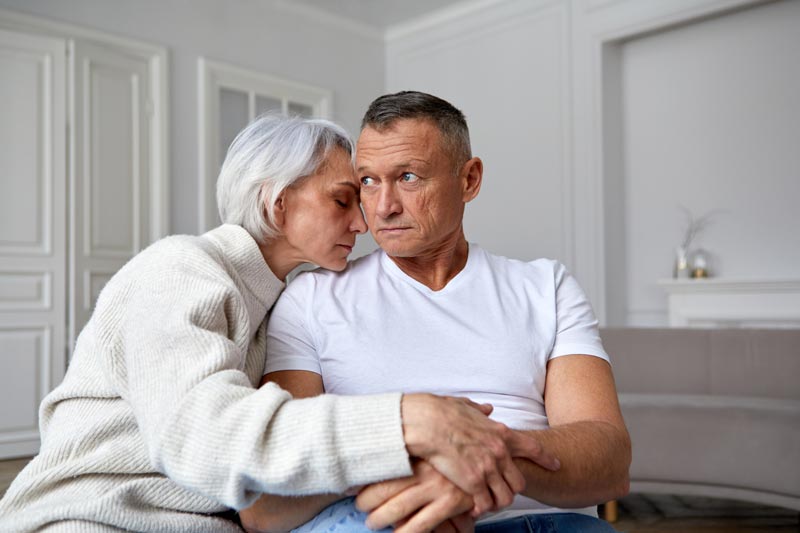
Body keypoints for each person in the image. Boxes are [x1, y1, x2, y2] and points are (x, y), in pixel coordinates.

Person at [0, 114, 558, 533]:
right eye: (344, 200)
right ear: (276, 203)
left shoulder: (278, 303)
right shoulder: (177, 269)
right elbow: (204, 436)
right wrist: (406, 420)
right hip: (100, 519)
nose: (364, 222)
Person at [241, 92, 631, 533]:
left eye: (407, 177)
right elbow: (265, 505)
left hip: (540, 524)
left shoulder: (546, 287)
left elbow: (610, 460)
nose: (382, 207)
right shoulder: (310, 299)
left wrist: (479, 464)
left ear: (469, 180)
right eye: (367, 181)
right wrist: (407, 452)